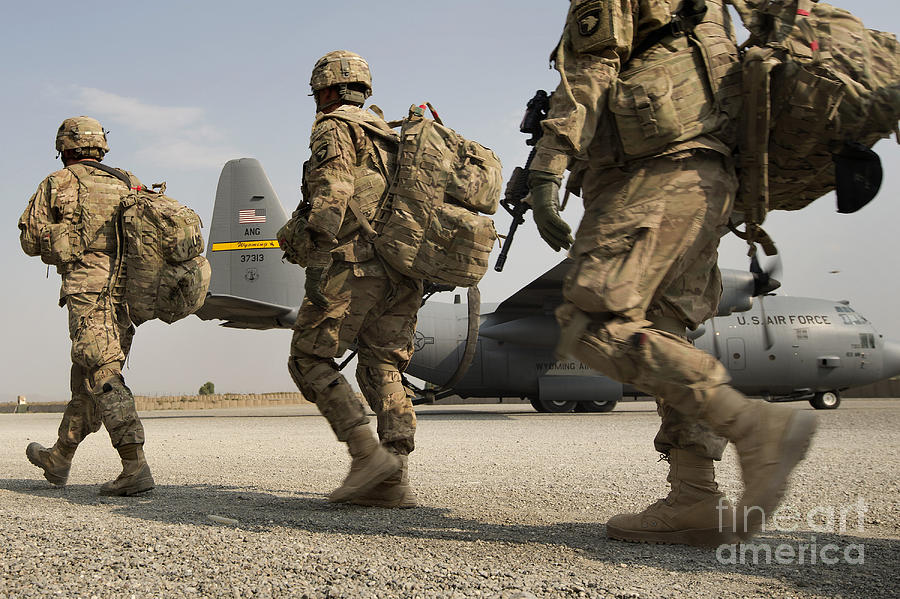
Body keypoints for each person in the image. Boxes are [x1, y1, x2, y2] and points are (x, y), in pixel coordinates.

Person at [526, 0, 816, 546]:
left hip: (657, 168)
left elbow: (591, 69)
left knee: (591, 318)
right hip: (713, 177)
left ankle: (755, 428)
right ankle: (695, 495)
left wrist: (548, 167)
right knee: (664, 330)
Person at [286, 50, 422, 508]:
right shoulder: (394, 136)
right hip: (403, 269)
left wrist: (314, 252)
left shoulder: (334, 126)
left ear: (326, 89)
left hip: (355, 263)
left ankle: (367, 457)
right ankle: (393, 479)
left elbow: (332, 192)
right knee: (383, 364)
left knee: (308, 357)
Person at [18, 116, 154, 496]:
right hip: (130, 295)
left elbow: (30, 241)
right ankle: (59, 457)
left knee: (102, 374)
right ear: (101, 147)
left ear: (65, 148)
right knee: (86, 379)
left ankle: (134, 463)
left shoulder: (59, 182)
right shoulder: (129, 181)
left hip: (88, 294)